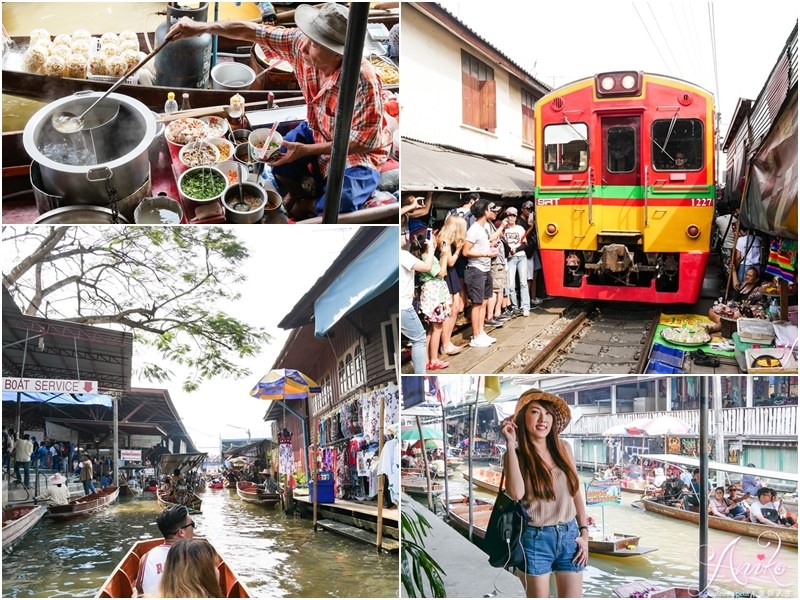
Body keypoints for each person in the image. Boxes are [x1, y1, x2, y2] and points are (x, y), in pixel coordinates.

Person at [168, 3, 390, 218]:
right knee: (275, 155)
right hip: (317, 129)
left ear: (337, 54)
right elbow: (252, 31)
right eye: (310, 39)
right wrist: (202, 27)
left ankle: (309, 205)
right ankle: (297, 193)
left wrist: (304, 150)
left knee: (342, 200)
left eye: (314, 44)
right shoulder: (300, 44)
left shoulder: (363, 79)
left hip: (358, 152)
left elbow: (365, 142)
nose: (303, 47)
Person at [501, 389, 587, 598]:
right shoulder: (517, 455)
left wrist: (584, 534)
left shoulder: (564, 448)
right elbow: (516, 494)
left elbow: (575, 493)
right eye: (535, 412)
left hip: (570, 536)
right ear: (523, 418)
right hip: (535, 538)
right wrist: (511, 446)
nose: (543, 419)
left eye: (548, 414)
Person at [462, 199, 501, 348]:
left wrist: (491, 245)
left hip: (485, 269)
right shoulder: (474, 230)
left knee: (484, 301)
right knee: (477, 304)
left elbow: (481, 245)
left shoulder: (483, 228)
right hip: (476, 269)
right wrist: (486, 254)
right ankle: (475, 335)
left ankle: (481, 332)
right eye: (490, 208)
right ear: (485, 212)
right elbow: (466, 251)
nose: (492, 211)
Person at [411, 227, 452, 371]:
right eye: (433, 238)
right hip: (435, 295)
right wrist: (445, 255)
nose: (436, 240)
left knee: (430, 328)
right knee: (437, 328)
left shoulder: (425, 257)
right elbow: (442, 273)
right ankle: (434, 359)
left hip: (432, 294)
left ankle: (427, 360)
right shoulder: (427, 257)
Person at [135, 505, 197, 597]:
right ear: (181, 532)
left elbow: (139, 590)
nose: (193, 528)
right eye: (192, 524)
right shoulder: (196, 556)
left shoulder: (146, 558)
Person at [400, 220, 436, 374]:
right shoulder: (403, 255)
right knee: (419, 338)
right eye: (402, 233)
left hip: (401, 303)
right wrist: (432, 249)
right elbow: (427, 267)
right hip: (404, 305)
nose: (406, 236)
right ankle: (420, 373)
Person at [437, 214, 468, 356]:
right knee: (449, 310)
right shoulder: (443, 240)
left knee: (455, 308)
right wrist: (458, 250)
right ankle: (445, 344)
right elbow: (450, 262)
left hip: (452, 274)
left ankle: (447, 341)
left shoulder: (446, 239)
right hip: (447, 274)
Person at [706, 267, 767, 333]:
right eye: (746, 275)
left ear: (756, 279)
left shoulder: (757, 291)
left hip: (740, 314)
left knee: (729, 320)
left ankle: (714, 328)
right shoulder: (744, 284)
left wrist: (743, 308)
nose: (747, 277)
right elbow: (736, 286)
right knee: (711, 310)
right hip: (731, 309)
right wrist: (734, 271)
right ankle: (721, 322)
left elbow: (760, 306)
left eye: (750, 276)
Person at [503, 206, 531, 317]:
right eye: (509, 215)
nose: (511, 217)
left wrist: (515, 249)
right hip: (510, 258)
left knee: (523, 282)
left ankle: (525, 306)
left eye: (513, 215)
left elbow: (525, 243)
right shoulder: (503, 229)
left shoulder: (520, 229)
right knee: (510, 284)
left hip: (521, 256)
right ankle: (514, 307)